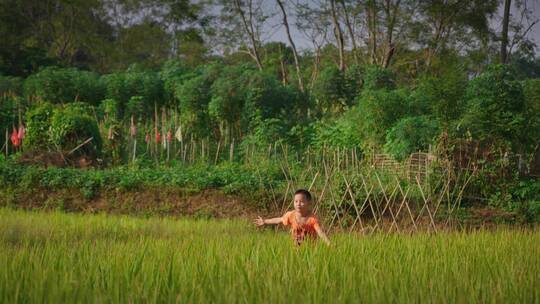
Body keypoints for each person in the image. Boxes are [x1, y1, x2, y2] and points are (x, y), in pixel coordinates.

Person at [254, 189, 330, 246]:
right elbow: (279, 219)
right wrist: (265, 221)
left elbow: (320, 232)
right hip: (295, 249)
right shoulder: (291, 215)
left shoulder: (312, 219)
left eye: (302, 202)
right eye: (296, 201)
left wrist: (329, 244)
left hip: (310, 249)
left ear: (309, 203)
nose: (298, 204)